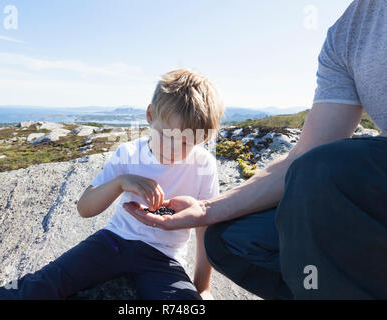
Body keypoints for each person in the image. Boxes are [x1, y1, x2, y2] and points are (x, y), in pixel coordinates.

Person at [123, 0, 387, 299]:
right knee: (227, 239)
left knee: (322, 170)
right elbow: (307, 156)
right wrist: (207, 210)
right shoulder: (348, 31)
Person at [0, 68, 224, 300]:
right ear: (150, 115)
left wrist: (202, 287)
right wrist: (121, 183)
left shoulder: (204, 165)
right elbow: (85, 208)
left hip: (163, 257)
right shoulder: (128, 153)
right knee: (42, 284)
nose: (173, 149)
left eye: (186, 143)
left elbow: (206, 226)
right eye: (168, 136)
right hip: (112, 242)